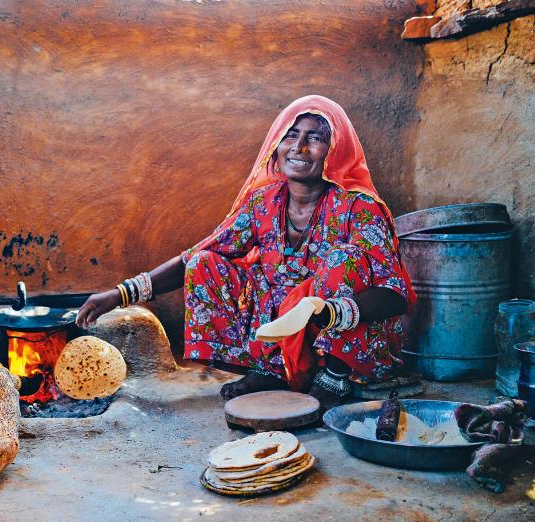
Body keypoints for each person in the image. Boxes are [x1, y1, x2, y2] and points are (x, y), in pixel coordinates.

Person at [75, 95, 416, 406]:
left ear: (335, 149)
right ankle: (271, 370)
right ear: (276, 146)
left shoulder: (360, 207)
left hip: (344, 338)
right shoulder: (264, 203)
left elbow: (395, 295)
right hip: (280, 334)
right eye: (290, 135)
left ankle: (333, 379)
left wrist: (326, 312)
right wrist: (120, 294)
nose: (298, 147)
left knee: (344, 259)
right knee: (205, 264)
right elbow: (196, 255)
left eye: (315, 137)